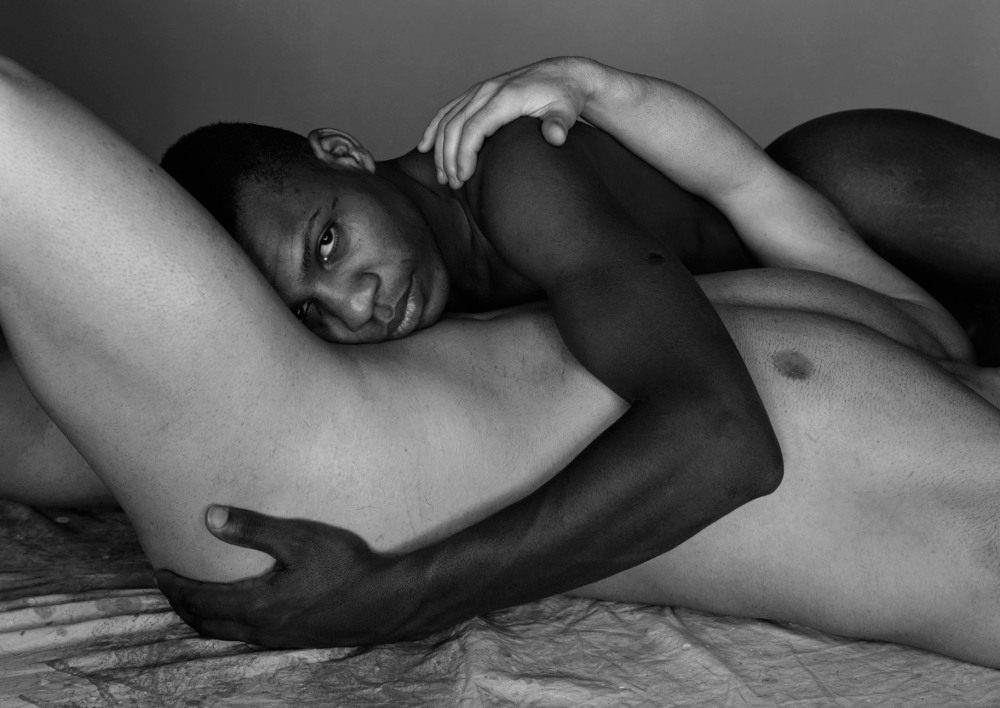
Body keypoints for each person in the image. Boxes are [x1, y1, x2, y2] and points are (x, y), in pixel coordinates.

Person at [1, 56, 996, 665]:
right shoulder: (425, 312)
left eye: (329, 243)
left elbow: (723, 435)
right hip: (835, 300)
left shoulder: (513, 168)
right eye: (309, 309)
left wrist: (405, 593)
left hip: (853, 219)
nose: (356, 302)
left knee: (851, 172)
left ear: (342, 154)